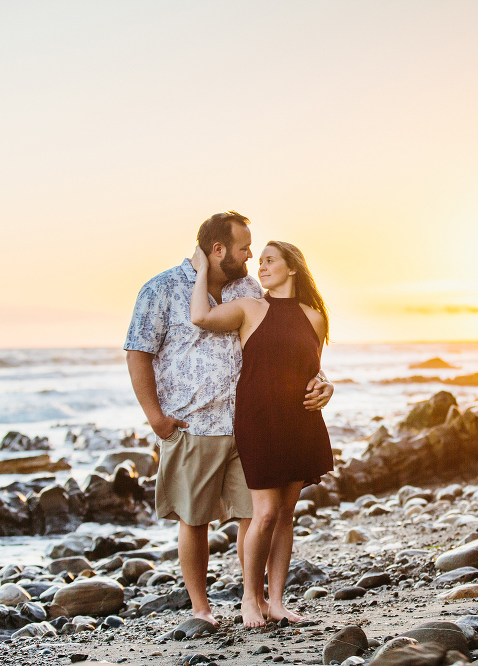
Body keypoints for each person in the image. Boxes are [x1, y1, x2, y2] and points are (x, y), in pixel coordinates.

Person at [124, 211, 333, 627]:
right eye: (244, 247)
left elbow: (287, 347)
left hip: (249, 424)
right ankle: (201, 609)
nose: (252, 255)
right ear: (218, 249)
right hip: (192, 424)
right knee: (194, 518)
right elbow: (137, 352)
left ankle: (253, 600)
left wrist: (322, 381)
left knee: (258, 517)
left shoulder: (248, 288)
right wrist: (156, 418)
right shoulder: (162, 288)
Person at [189, 240, 333, 627]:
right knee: (265, 513)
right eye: (262, 261)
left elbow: (312, 369)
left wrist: (327, 386)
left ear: (292, 269)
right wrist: (202, 269)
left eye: (270, 261)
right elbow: (200, 317)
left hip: (300, 421)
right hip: (258, 420)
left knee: (286, 514)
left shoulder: (314, 317)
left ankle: (278, 602)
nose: (262, 267)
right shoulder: (251, 308)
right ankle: (250, 600)